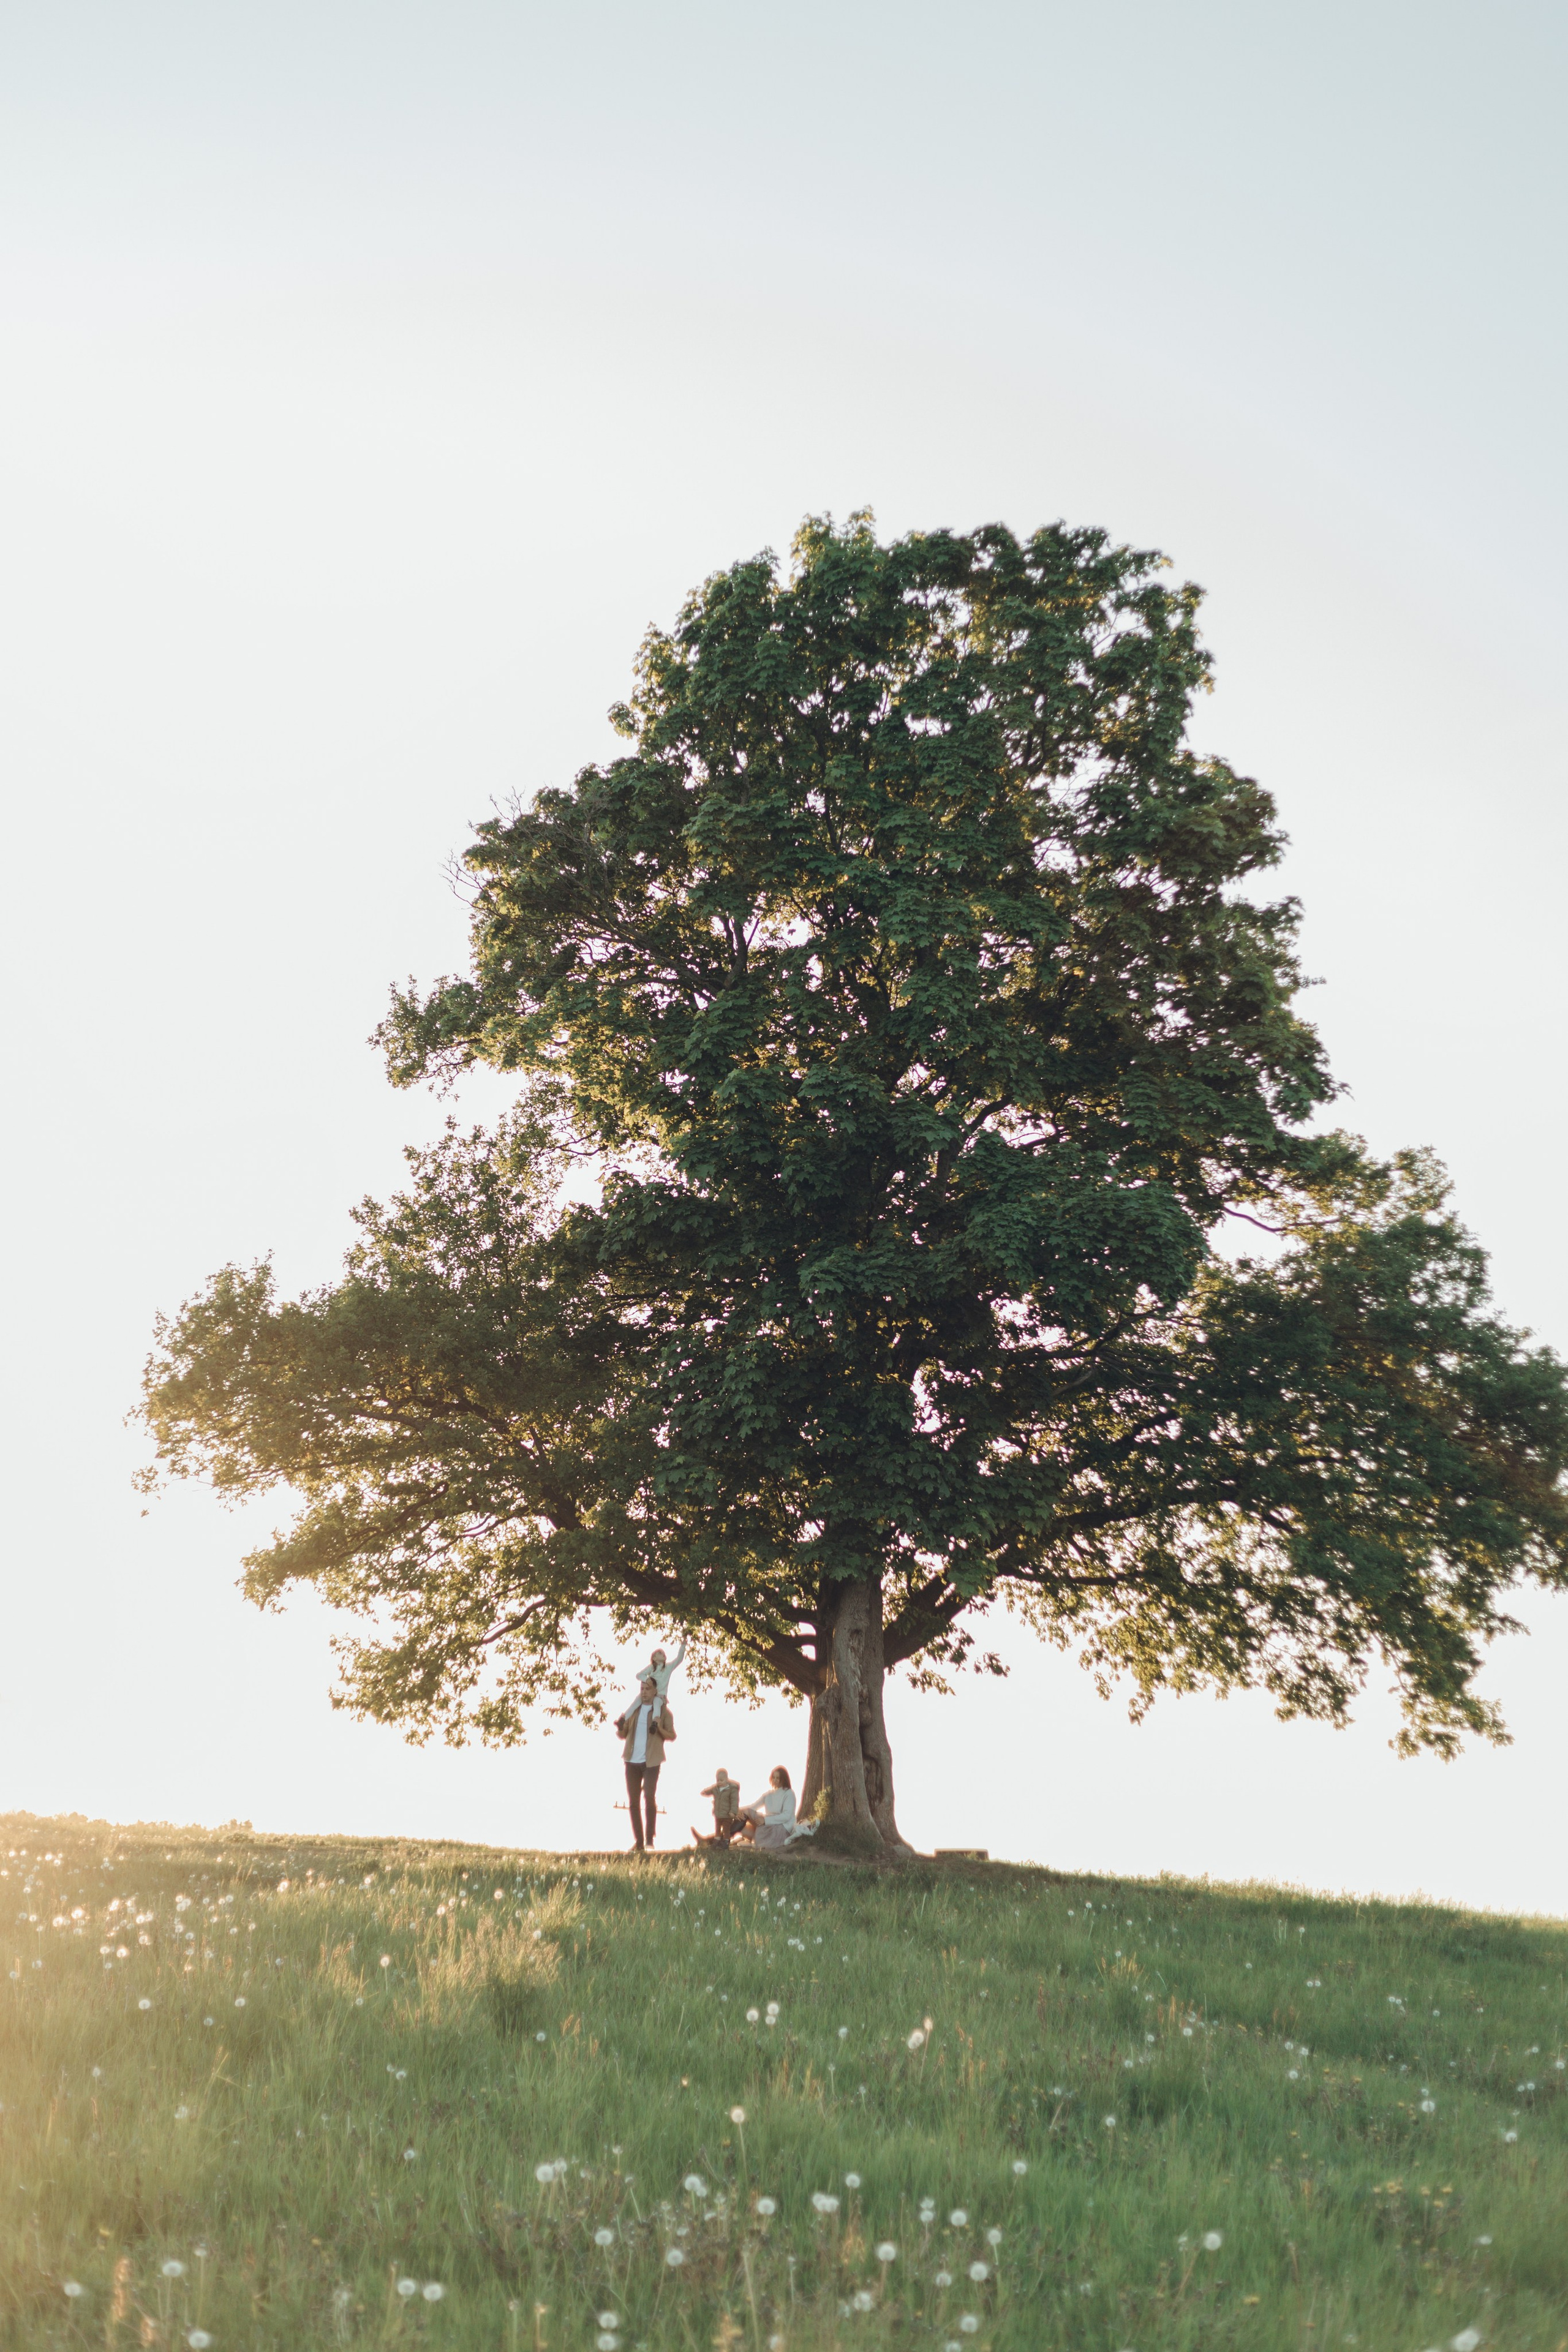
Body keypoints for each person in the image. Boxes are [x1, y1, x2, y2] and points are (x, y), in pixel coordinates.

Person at [616, 1676, 675, 1854]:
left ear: (655, 1691)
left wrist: (659, 1729)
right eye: (642, 1689)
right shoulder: (634, 1710)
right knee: (633, 1802)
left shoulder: (663, 1712)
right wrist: (620, 1727)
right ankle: (639, 1842)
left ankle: (650, 1840)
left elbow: (672, 1735)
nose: (644, 1692)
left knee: (649, 1796)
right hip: (631, 1761)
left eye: (648, 1689)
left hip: (651, 1762)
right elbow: (623, 1735)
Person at [737, 1765, 796, 1851]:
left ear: (783, 1779)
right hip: (767, 1825)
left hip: (782, 1828)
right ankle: (727, 1836)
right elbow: (753, 1807)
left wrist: (765, 1821)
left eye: (778, 1778)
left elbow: (786, 1816)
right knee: (747, 1812)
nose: (775, 1780)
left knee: (758, 1837)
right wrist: (737, 1810)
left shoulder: (789, 1793)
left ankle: (753, 1841)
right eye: (773, 1777)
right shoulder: (768, 1794)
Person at [630, 1634, 686, 1703]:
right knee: (637, 1701)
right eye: (660, 1653)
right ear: (654, 1658)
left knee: (657, 1705)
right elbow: (639, 1675)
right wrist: (647, 1679)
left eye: (664, 1653)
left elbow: (679, 1659)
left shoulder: (668, 1667)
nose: (663, 1654)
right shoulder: (652, 1667)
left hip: (660, 1696)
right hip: (649, 1694)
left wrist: (683, 1646)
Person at [693, 1768, 741, 1847]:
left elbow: (734, 1801)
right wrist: (705, 1792)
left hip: (727, 1815)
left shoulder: (732, 1789)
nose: (719, 1782)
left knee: (726, 1829)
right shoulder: (716, 1788)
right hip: (719, 1813)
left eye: (721, 1780)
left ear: (727, 1779)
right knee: (717, 1829)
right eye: (718, 1780)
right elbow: (709, 1790)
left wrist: (733, 1811)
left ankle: (725, 1842)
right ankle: (715, 1842)